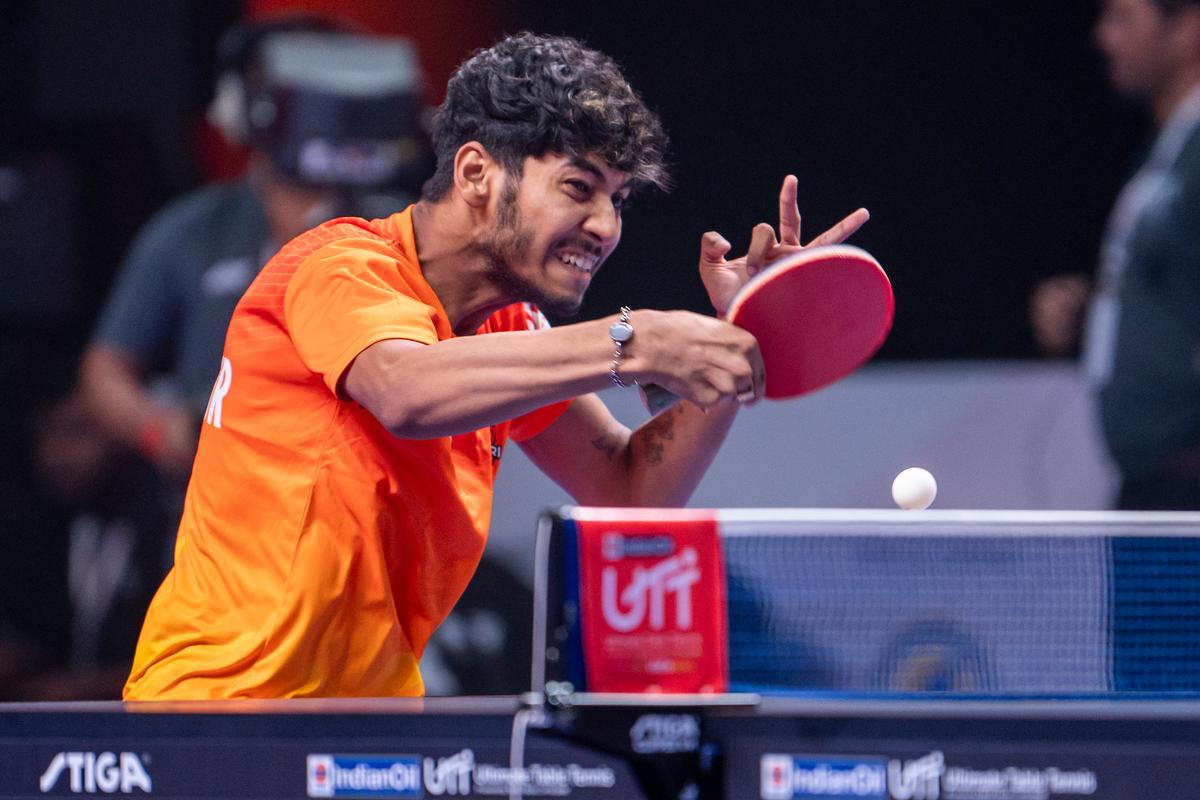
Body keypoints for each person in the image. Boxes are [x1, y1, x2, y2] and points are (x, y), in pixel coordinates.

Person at [123, 32, 868, 700]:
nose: (606, 228)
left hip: (367, 733)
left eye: (620, 200)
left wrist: (730, 345)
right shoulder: (340, 267)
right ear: (478, 172)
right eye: (579, 189)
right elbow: (407, 391)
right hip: (213, 711)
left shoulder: (511, 329)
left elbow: (631, 488)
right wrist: (635, 339)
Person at [79, 19, 430, 486]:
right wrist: (159, 433)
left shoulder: (404, 228)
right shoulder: (191, 229)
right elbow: (106, 367)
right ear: (249, 108)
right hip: (223, 502)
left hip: (361, 494)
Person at [1031, 0, 1200, 509]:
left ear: (1189, 27)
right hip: (1154, 480)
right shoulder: (1167, 149)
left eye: (1123, 18)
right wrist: (1102, 311)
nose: (1103, 37)